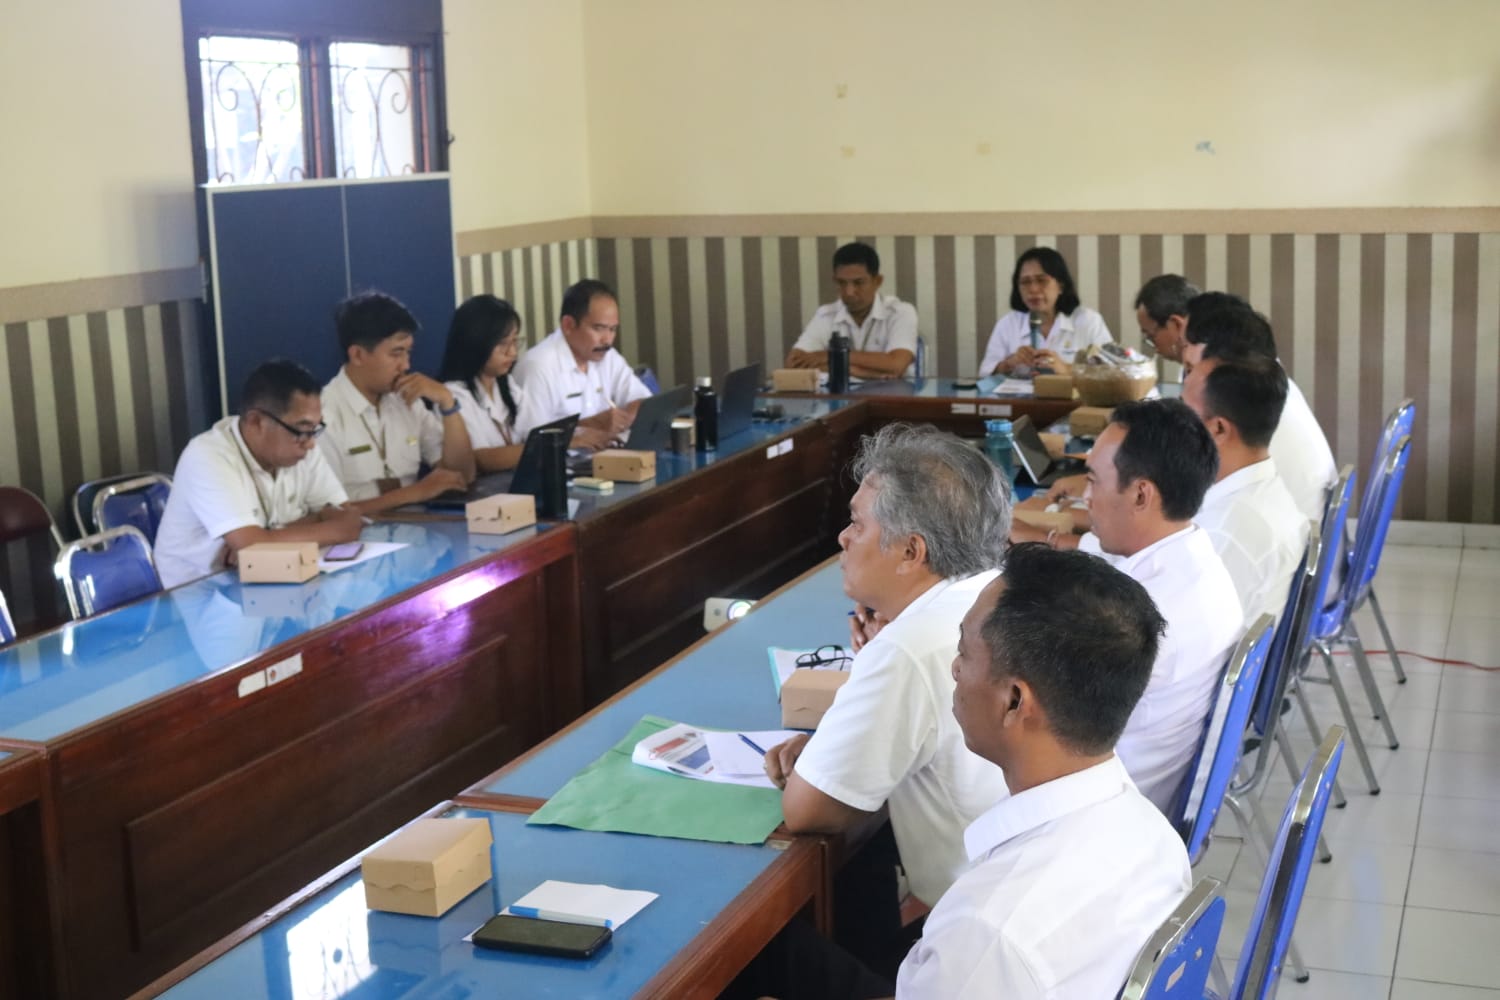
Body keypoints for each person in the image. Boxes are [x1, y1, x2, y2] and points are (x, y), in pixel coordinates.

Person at [735, 544, 1191, 1000]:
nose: (954, 668)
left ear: (1014, 701)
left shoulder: (990, 931)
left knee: (755, 961)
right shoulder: (1155, 836)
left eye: (964, 653)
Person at [763, 423, 1012, 971]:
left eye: (857, 523)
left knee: (765, 952)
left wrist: (826, 748)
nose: (843, 538)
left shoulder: (910, 647)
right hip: (1014, 903)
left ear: (910, 551)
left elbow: (808, 810)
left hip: (973, 949)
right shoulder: (998, 591)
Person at [1074, 399, 1241, 812]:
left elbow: (1046, 724)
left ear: (1141, 494)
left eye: (1093, 481)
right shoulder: (1195, 557)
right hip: (1145, 787)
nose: (1085, 497)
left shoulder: (1135, 617)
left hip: (1110, 809)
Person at [154, 359, 362, 588]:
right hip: (199, 594)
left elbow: (345, 513)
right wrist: (333, 527)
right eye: (302, 430)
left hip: (272, 581)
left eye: (315, 429)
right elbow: (254, 548)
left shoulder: (302, 448)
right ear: (256, 422)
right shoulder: (208, 455)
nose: (311, 443)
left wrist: (268, 539)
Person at [1182, 349, 1309, 630]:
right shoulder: (1261, 492)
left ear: (1218, 429)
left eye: (1184, 412)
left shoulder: (1228, 532)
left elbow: (1180, 637)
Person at [318, 291, 476, 513]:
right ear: (358, 355)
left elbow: (462, 476)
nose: (406, 365)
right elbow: (327, 513)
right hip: (357, 531)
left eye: (408, 353)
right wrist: (416, 492)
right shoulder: (323, 413)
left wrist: (447, 403)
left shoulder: (406, 399)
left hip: (419, 524)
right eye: (396, 353)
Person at [511, 278, 653, 451]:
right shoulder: (538, 367)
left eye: (612, 329)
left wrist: (627, 418)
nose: (607, 340)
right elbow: (531, 440)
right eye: (598, 328)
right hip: (563, 463)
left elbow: (642, 400)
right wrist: (589, 425)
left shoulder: (606, 355)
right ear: (568, 325)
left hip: (603, 457)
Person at [785, 242, 918, 379]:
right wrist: (854, 371)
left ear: (877, 281)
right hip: (842, 392)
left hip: (894, 392)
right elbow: (793, 364)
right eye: (842, 283)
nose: (849, 292)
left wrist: (830, 356)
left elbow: (896, 364)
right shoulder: (826, 315)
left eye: (858, 283)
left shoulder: (900, 312)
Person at [979, 247, 1112, 377]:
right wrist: (1009, 364)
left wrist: (1067, 369)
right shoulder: (1008, 324)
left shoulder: (1089, 321)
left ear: (1061, 286)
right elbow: (984, 373)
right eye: (1025, 282)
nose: (1033, 289)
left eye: (1042, 280)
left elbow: (1113, 372)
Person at [438, 295, 530, 473]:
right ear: (475, 342)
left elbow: (534, 432)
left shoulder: (507, 384)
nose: (512, 352)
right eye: (503, 344)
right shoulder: (453, 394)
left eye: (514, 341)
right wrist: (541, 448)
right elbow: (481, 459)